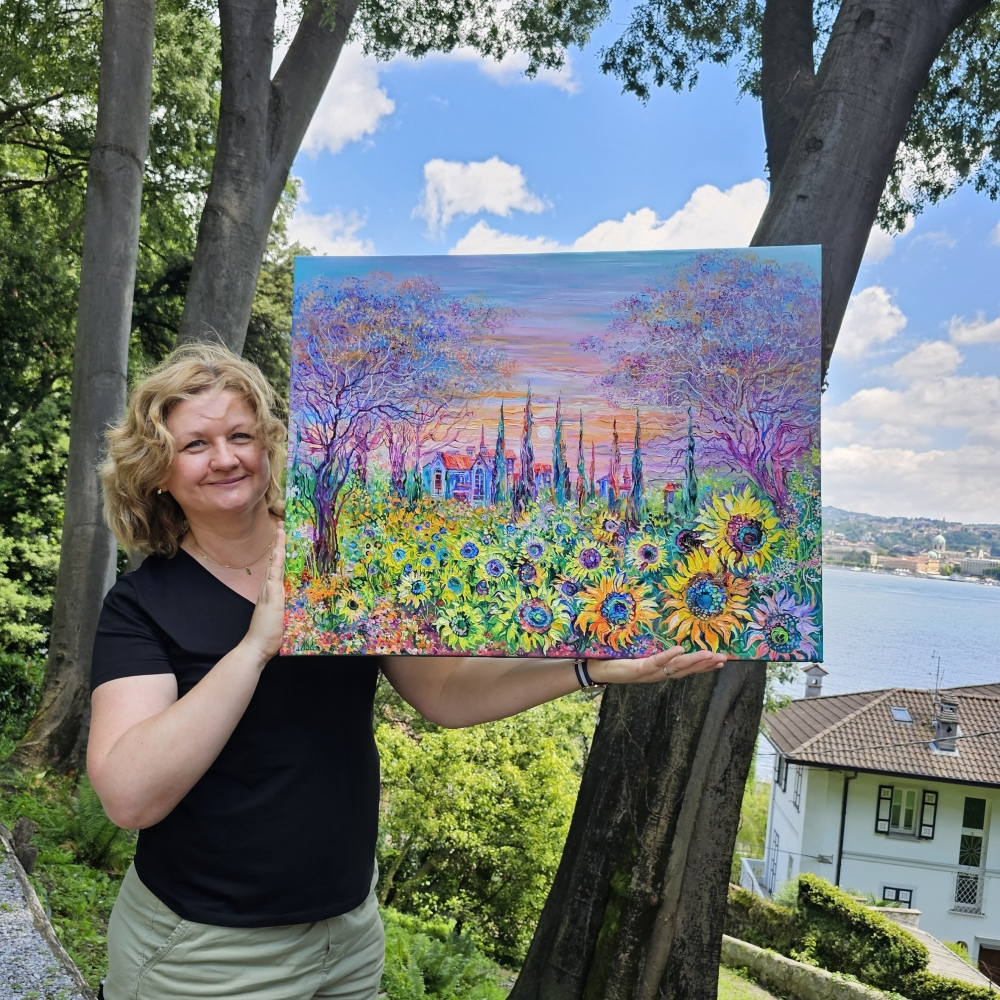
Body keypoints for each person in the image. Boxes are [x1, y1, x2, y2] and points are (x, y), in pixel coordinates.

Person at [89, 343, 728, 1000]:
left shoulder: (350, 556)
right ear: (160, 469)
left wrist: (588, 666)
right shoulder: (144, 605)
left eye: (241, 435)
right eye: (196, 444)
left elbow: (443, 693)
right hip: (207, 953)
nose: (225, 458)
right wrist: (257, 646)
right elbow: (131, 796)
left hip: (348, 935)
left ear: (269, 447)